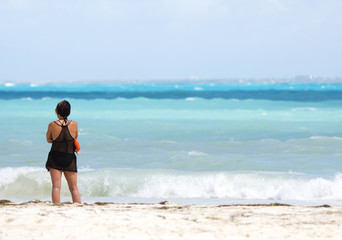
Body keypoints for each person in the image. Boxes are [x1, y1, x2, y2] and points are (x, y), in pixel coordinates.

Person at [46, 100, 81, 203]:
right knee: (74, 188)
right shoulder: (74, 124)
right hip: (69, 158)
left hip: (55, 157)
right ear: (68, 112)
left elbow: (49, 139)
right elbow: (75, 137)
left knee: (56, 187)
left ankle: (56, 208)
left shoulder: (52, 124)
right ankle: (78, 207)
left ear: (57, 111)